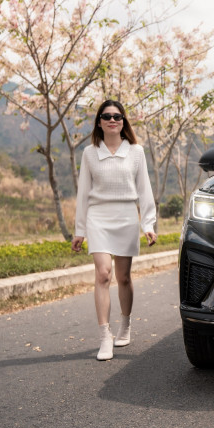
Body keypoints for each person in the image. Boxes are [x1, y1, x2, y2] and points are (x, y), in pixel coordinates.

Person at [72, 100, 157, 361]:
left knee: (124, 277)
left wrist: (148, 224)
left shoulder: (136, 152)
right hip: (98, 216)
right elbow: (83, 193)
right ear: (99, 122)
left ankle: (125, 325)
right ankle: (104, 337)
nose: (112, 120)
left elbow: (144, 189)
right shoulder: (89, 153)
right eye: (107, 116)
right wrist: (80, 230)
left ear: (123, 122)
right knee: (103, 274)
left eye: (117, 116)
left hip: (126, 217)